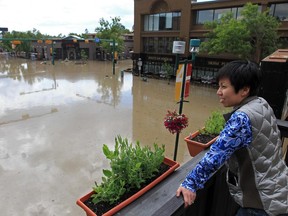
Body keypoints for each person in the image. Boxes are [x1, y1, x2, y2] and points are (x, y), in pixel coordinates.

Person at [176, 60, 288, 216]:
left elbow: (214, 157)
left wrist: (190, 183)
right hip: (278, 191)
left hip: (260, 204)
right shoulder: (261, 103)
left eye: (224, 87)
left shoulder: (242, 118)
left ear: (244, 90)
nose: (218, 92)